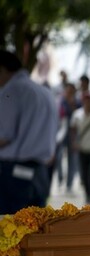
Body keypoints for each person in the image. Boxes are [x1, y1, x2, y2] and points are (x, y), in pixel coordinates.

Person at [0, 50, 58, 214]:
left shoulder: (11, 91)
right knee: (35, 231)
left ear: (2, 70)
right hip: (40, 173)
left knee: (11, 232)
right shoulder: (45, 92)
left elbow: (4, 136)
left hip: (14, 174)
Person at [54, 81, 81, 193]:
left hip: (73, 133)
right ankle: (60, 179)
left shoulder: (78, 102)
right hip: (61, 132)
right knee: (58, 157)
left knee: (72, 159)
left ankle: (69, 184)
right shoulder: (61, 101)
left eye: (71, 90)